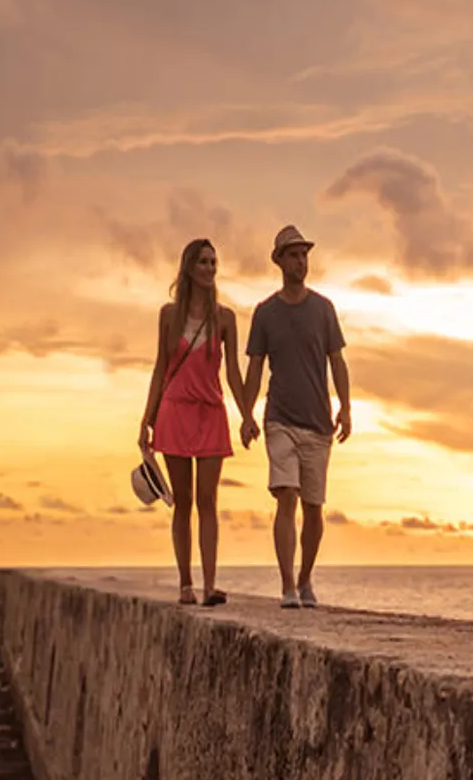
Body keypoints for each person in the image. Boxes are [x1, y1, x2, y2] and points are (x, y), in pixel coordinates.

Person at [241, 224, 351, 609]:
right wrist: (246, 414)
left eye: (304, 254)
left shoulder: (323, 309)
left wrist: (346, 408)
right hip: (279, 419)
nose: (300, 261)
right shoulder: (265, 313)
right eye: (293, 255)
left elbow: (337, 361)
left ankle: (305, 579)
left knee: (314, 508)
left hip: (318, 423)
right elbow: (254, 368)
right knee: (285, 496)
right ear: (280, 262)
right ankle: (287, 585)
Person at [139, 237, 244, 606]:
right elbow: (160, 368)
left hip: (211, 412)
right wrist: (146, 419)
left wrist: (247, 415)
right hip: (175, 411)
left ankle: (210, 584)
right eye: (203, 262)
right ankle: (186, 583)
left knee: (208, 500)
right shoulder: (169, 315)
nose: (210, 269)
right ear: (189, 267)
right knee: (182, 501)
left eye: (214, 263)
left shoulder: (226, 319)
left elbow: (233, 373)